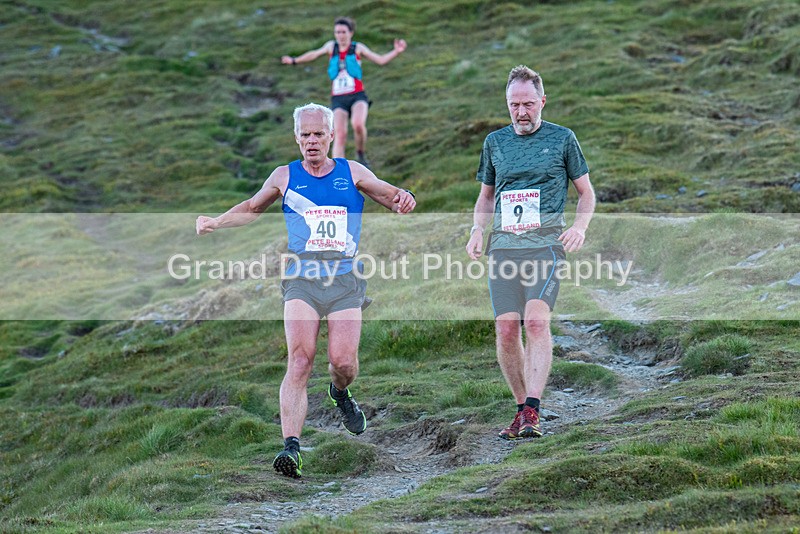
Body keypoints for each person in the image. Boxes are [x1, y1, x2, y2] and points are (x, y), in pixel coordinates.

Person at [196, 103, 416, 478]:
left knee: (343, 363)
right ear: (296, 138)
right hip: (302, 279)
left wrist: (404, 198)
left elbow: (391, 195)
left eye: (318, 134)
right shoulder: (285, 176)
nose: (311, 141)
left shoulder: (352, 172)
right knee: (300, 359)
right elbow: (252, 208)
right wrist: (217, 221)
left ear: (331, 135)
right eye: (305, 135)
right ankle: (291, 448)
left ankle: (340, 393)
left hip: (345, 280)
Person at [465, 65, 596, 440]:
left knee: (536, 322)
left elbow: (586, 192)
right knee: (506, 329)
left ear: (542, 101)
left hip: (546, 246)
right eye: (513, 105)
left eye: (527, 104)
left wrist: (579, 227)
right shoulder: (494, 143)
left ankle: (534, 409)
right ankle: (522, 409)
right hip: (504, 247)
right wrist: (477, 230)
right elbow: (486, 196)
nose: (521, 112)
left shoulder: (563, 139)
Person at [281, 16, 407, 168]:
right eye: (337, 32)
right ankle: (337, 169)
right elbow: (313, 54)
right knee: (339, 133)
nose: (340, 35)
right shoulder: (331, 47)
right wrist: (294, 60)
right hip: (338, 98)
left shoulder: (357, 48)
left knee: (358, 124)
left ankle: (360, 153)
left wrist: (396, 51)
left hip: (357, 95)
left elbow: (380, 60)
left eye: (343, 32)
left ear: (351, 33)